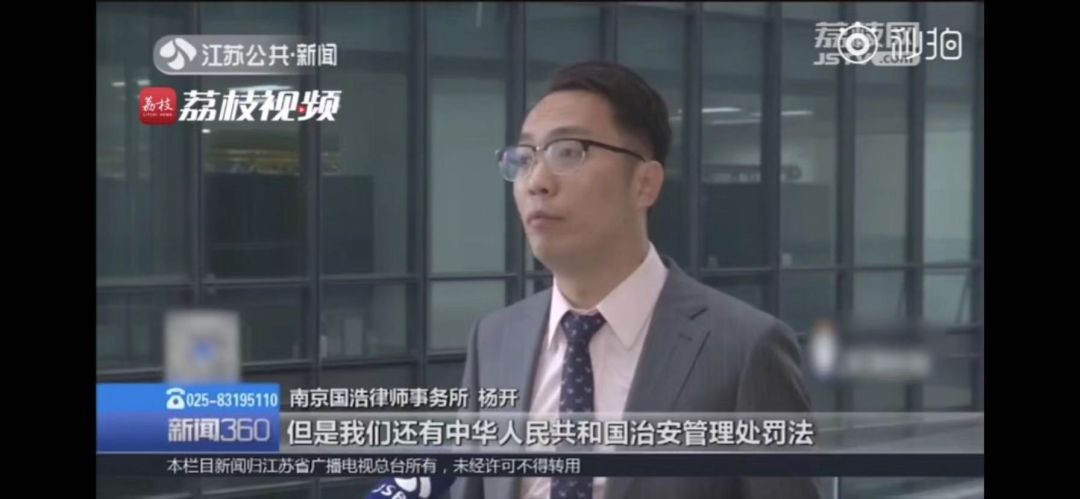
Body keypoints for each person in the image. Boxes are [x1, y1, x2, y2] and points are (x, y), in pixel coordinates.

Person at [451, 60, 819, 499]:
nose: (537, 182)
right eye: (524, 158)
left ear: (645, 183)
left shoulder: (744, 349)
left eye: (567, 152)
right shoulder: (494, 340)